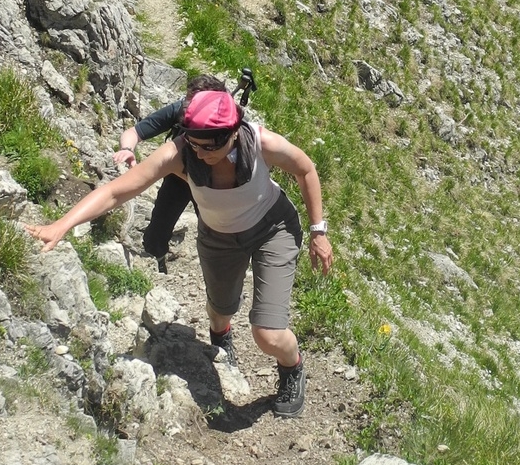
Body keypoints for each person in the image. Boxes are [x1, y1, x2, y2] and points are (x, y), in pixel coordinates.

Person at [26, 84, 332, 419]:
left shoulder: (261, 143)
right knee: (220, 310)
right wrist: (62, 225)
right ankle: (221, 338)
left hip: (273, 229)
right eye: (193, 144)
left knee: (268, 334)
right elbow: (116, 192)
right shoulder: (180, 152)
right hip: (218, 237)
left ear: (232, 133)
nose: (198, 153)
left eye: (207, 147)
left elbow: (305, 169)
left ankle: (292, 367)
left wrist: (318, 231)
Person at [115, 73, 250, 271]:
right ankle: (156, 264)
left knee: (220, 233)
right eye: (189, 102)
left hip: (214, 186)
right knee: (158, 230)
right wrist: (127, 149)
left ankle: (225, 274)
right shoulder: (179, 110)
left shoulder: (230, 124)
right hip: (180, 179)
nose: (190, 110)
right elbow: (134, 132)